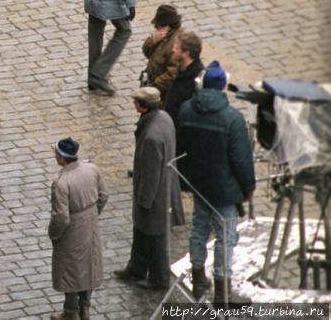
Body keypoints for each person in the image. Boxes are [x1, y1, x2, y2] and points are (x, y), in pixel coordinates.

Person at [177, 61, 256, 303]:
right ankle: (223, 292)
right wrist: (248, 187)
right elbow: (241, 159)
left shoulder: (186, 109)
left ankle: (199, 278)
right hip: (224, 189)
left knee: (199, 229)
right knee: (226, 237)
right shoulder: (232, 118)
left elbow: (181, 148)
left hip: (199, 183)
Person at [113, 87, 184, 291]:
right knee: (142, 231)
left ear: (143, 106)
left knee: (154, 234)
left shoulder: (151, 136)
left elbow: (151, 172)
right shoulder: (163, 117)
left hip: (155, 195)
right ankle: (136, 268)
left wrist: (144, 200)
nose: (133, 103)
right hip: (163, 186)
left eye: (136, 101)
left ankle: (159, 278)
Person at [48, 138, 108, 320]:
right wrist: (92, 214)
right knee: (88, 266)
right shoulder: (91, 169)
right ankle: (85, 307)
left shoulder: (61, 182)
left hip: (72, 231)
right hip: (90, 225)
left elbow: (61, 217)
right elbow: (103, 195)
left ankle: (71, 311)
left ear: (61, 157)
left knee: (71, 270)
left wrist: (53, 233)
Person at [141, 5, 183, 105]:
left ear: (167, 26)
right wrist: (153, 40)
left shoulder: (176, 43)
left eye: (158, 25)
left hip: (163, 96)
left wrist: (154, 87)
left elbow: (173, 72)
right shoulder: (162, 36)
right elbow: (147, 53)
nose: (155, 27)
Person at [164, 31, 204, 127]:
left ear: (186, 53)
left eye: (177, 48)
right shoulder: (182, 70)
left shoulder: (197, 80)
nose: (172, 49)